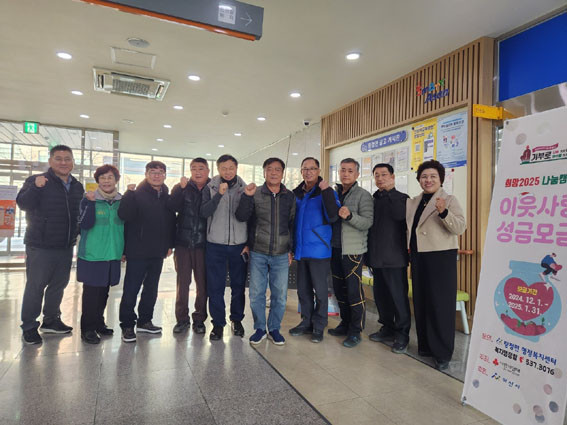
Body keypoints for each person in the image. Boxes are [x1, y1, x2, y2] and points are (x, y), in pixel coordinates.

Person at [17, 145, 84, 345]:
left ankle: (51, 320)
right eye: (58, 158)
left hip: (65, 245)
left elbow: (78, 213)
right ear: (50, 161)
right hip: (41, 245)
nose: (63, 162)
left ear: (73, 162)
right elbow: (23, 204)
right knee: (35, 286)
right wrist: (36, 188)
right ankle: (29, 326)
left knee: (58, 285)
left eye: (67, 159)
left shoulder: (77, 186)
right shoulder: (37, 181)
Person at [406, 159, 466, 370]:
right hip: (418, 257)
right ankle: (425, 346)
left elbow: (460, 228)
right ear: (419, 180)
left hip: (441, 257)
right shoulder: (413, 202)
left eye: (433, 176)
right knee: (421, 301)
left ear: (441, 179)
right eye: (424, 176)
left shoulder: (449, 200)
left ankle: (442, 353)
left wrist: (444, 212)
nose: (428, 180)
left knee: (440, 305)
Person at [235, 158, 295, 346]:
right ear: (264, 172)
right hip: (258, 252)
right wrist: (246, 196)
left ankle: (274, 328)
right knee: (256, 294)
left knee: (280, 295)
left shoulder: (290, 196)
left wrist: (291, 249)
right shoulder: (255, 193)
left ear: (282, 173)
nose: (274, 173)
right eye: (270, 169)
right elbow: (242, 217)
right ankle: (260, 328)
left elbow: (292, 224)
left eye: (277, 169)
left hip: (281, 253)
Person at [118, 161, 176, 343]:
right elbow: (124, 217)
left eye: (160, 172)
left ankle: (145, 321)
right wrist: (128, 194)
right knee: (131, 289)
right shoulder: (135, 194)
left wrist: (169, 244)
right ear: (146, 174)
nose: (156, 175)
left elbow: (171, 222)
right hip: (137, 251)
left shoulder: (166, 196)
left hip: (158, 252)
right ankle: (127, 325)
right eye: (153, 172)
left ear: (165, 175)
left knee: (151, 289)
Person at [289, 157, 340, 343]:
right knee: (303, 291)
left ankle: (319, 326)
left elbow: (333, 216)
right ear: (301, 171)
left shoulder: (326, 191)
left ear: (318, 171)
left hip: (319, 250)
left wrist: (326, 192)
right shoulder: (296, 194)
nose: (308, 172)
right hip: (301, 250)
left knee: (320, 291)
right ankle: (306, 322)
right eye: (305, 168)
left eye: (312, 168)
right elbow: (291, 222)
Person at [201, 154, 248, 341]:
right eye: (223, 168)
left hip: (239, 246)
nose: (227, 172)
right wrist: (219, 195)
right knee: (216, 287)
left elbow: (251, 217)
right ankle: (218, 324)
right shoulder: (210, 188)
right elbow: (204, 212)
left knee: (238, 286)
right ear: (218, 169)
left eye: (231, 168)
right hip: (215, 245)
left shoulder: (245, 189)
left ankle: (237, 320)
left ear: (236, 168)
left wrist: (248, 244)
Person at [329, 158, 373, 348]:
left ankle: (356, 331)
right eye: (343, 170)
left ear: (357, 174)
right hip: (335, 249)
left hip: (353, 251)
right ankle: (345, 323)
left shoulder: (363, 195)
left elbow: (367, 222)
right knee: (339, 290)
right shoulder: (335, 193)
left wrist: (350, 216)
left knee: (354, 292)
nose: (345, 174)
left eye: (350, 171)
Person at [366, 163, 410, 353]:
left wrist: (389, 193)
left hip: (395, 259)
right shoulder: (373, 199)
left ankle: (402, 334)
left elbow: (400, 216)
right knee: (381, 297)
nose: (380, 178)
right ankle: (387, 328)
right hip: (376, 258)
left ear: (392, 177)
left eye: (384, 174)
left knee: (398, 298)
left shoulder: (402, 198)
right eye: (377, 175)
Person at [76, 164, 123, 344]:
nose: (106, 181)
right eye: (102, 178)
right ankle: (87, 329)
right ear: (97, 181)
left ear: (116, 180)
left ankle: (98, 323)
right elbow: (85, 224)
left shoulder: (120, 201)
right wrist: (90, 203)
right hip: (93, 254)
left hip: (113, 253)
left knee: (104, 292)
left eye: (110, 177)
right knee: (91, 294)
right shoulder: (88, 199)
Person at [167, 158, 210, 334]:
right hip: (183, 243)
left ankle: (199, 319)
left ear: (208, 170)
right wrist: (181, 189)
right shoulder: (181, 187)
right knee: (182, 283)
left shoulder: (212, 188)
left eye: (201, 168)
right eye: (194, 169)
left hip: (204, 245)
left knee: (203, 284)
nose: (197, 172)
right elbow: (172, 208)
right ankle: (182, 319)